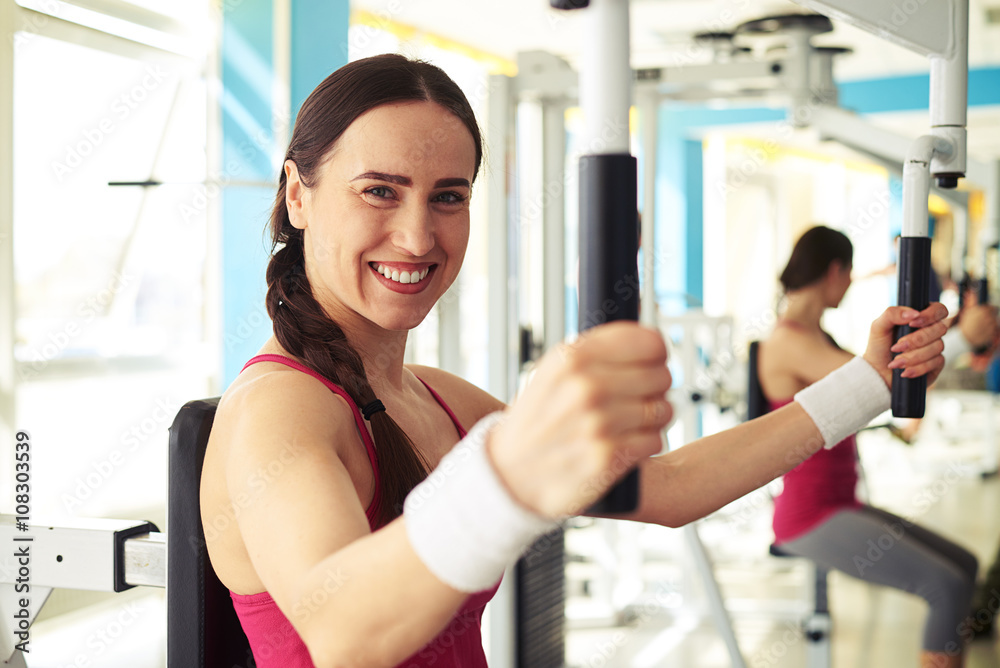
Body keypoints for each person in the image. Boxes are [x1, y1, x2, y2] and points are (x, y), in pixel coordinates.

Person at [199, 56, 950, 668]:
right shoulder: (281, 409)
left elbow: (669, 488)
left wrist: (867, 383)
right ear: (299, 194)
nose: (418, 236)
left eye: (448, 197)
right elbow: (345, 636)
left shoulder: (439, 400)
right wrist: (508, 471)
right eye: (379, 192)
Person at [757, 226, 977, 668]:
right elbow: (884, 383)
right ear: (835, 270)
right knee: (945, 586)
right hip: (811, 516)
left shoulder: (816, 335)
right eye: (851, 271)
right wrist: (962, 337)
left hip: (842, 502)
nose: (852, 280)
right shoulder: (788, 340)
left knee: (965, 567)